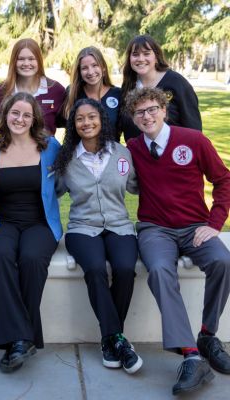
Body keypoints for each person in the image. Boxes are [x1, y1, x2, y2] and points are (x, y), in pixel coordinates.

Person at [126, 87, 230, 395]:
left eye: (152, 109)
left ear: (163, 109)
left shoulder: (193, 140)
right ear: (134, 118)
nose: (147, 116)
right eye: (139, 112)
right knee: (159, 270)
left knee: (223, 261)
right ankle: (191, 354)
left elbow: (223, 179)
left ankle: (208, 336)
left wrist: (214, 223)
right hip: (154, 228)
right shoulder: (132, 148)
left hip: (195, 226)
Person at [54, 98, 142, 374]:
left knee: (126, 269)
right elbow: (51, 192)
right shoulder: (66, 159)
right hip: (82, 228)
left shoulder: (121, 155)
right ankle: (118, 340)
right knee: (94, 269)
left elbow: (139, 187)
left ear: (102, 119)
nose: (86, 123)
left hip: (119, 225)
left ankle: (110, 338)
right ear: (73, 125)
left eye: (92, 117)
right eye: (80, 119)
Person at [0, 92, 62, 373]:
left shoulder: (50, 147)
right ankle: (23, 339)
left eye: (27, 115)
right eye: (15, 113)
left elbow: (63, 184)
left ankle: (16, 341)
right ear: (5, 115)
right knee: (0, 258)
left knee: (32, 260)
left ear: (35, 119)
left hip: (40, 222)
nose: (20, 119)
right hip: (2, 222)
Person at [120, 34, 202, 142]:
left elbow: (193, 127)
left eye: (146, 53)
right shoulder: (128, 87)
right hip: (138, 156)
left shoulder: (177, 82)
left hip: (173, 155)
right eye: (135, 54)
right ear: (130, 58)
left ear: (156, 57)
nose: (141, 59)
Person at [0, 38, 65, 136]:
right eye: (21, 59)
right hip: (9, 149)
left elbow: (63, 122)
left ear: (39, 60)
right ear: (14, 61)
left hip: (45, 149)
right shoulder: (0, 92)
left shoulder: (56, 90)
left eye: (31, 59)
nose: (26, 63)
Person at [62, 47, 121, 140]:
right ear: (79, 72)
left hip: (112, 152)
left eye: (95, 65)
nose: (90, 72)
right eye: (84, 68)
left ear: (103, 68)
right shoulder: (72, 93)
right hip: (80, 153)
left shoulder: (118, 94)